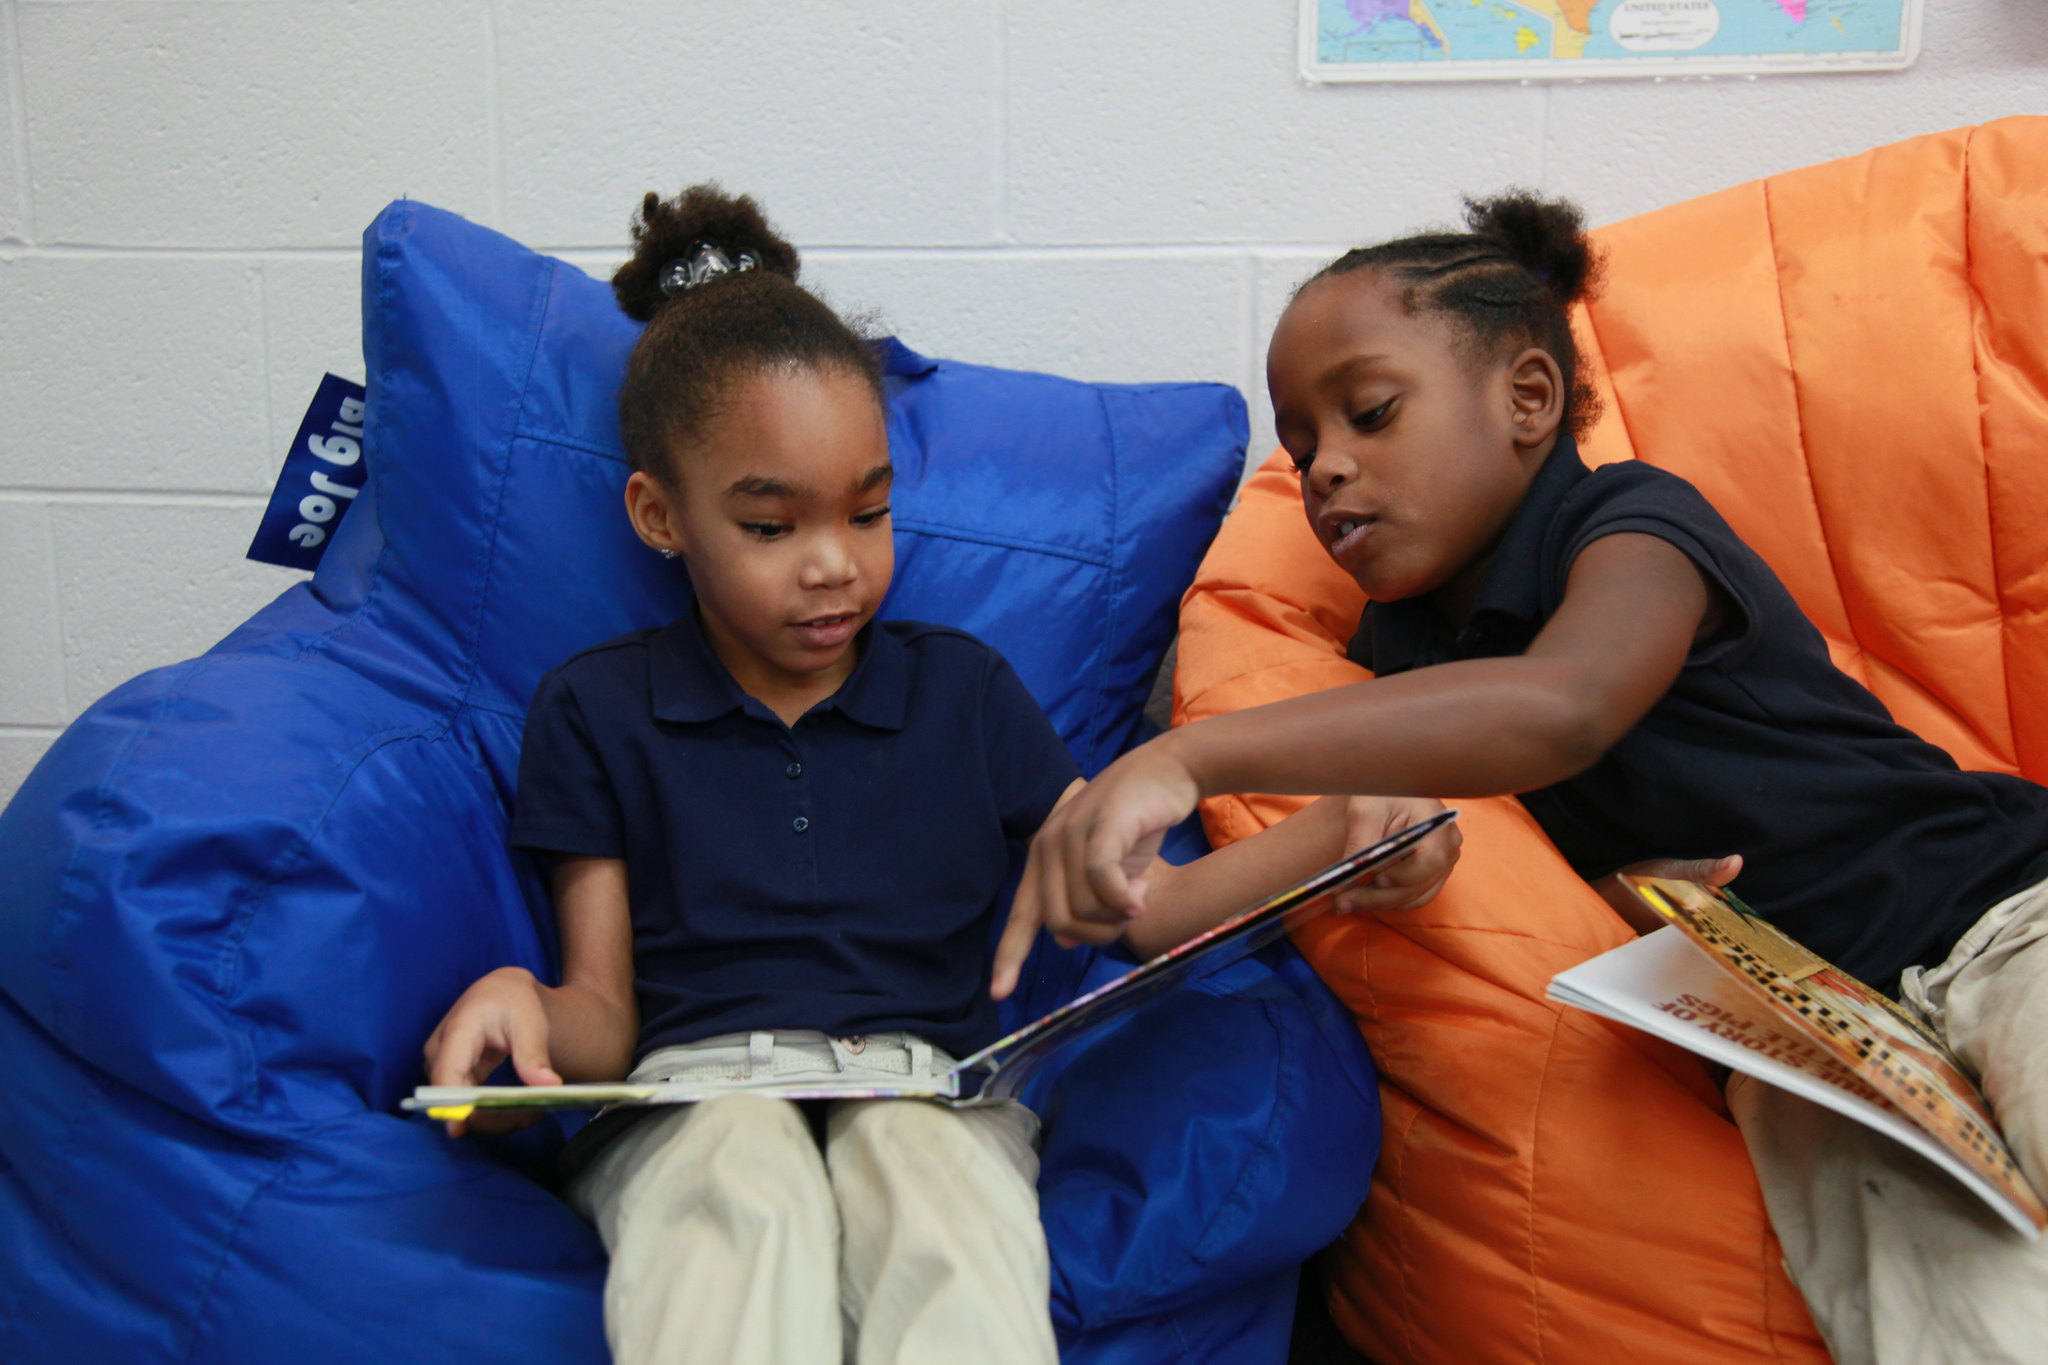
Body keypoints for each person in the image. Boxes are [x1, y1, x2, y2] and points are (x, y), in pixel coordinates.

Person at [421, 184, 1456, 1365]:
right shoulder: (596, 707)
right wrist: (524, 1000)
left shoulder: (960, 691)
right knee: (740, 1180)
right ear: (660, 517)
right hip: (693, 1098)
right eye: (771, 528)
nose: (832, 568)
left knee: (930, 1189)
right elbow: (602, 1021)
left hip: (926, 1090)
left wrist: (1335, 837)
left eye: (867, 514)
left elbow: (1142, 905)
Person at [1009, 191, 2048, 1365]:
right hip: (1810, 1035)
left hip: (2000, 912)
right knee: (1962, 1323)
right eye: (1302, 452)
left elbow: (1559, 711)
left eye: (1368, 413)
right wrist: (1117, 872)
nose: (1326, 472)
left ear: (1527, 399)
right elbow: (1357, 841)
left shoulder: (1631, 525)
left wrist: (1184, 752)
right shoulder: (1395, 663)